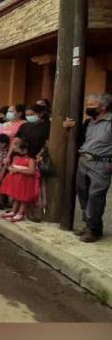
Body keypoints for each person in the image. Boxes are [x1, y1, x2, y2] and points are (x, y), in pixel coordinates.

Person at [63, 93, 112, 243]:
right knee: (83, 194)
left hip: (102, 163)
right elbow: (80, 140)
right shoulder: (88, 122)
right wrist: (68, 128)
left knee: (95, 196)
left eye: (92, 106)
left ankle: (94, 230)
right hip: (84, 161)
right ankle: (89, 224)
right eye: (87, 105)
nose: (88, 108)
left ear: (103, 107)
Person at [0, 139, 39, 223]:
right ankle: (13, 211)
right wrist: (10, 168)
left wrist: (18, 170)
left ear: (24, 150)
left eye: (19, 149)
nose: (17, 151)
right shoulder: (17, 157)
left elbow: (32, 171)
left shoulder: (30, 159)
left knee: (23, 198)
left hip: (25, 181)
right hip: (17, 180)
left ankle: (20, 213)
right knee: (16, 196)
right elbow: (12, 166)